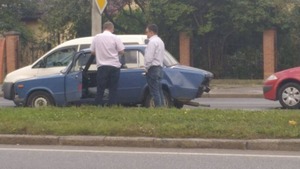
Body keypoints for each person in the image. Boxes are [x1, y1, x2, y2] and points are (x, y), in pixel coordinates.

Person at [90, 21, 125, 106]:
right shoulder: (115, 37)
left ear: (103, 28)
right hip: (114, 66)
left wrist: (100, 53)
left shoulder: (97, 37)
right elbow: (122, 51)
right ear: (111, 28)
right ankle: (112, 105)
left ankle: (98, 104)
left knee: (100, 87)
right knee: (113, 87)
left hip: (102, 66)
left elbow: (92, 52)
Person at [144, 24, 165, 107]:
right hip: (159, 67)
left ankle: (158, 108)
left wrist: (146, 68)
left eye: (147, 32)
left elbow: (149, 57)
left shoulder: (152, 42)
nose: (146, 34)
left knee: (154, 91)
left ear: (151, 32)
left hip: (152, 68)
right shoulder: (160, 41)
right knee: (159, 90)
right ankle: (162, 107)